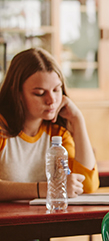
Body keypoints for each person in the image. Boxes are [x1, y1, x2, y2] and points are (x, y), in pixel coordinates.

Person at [0, 48, 99, 201]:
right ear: (17, 93)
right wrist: (48, 188)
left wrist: (78, 120)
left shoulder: (58, 133)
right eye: (39, 93)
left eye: (56, 90)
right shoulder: (2, 130)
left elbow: (87, 185)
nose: (51, 100)